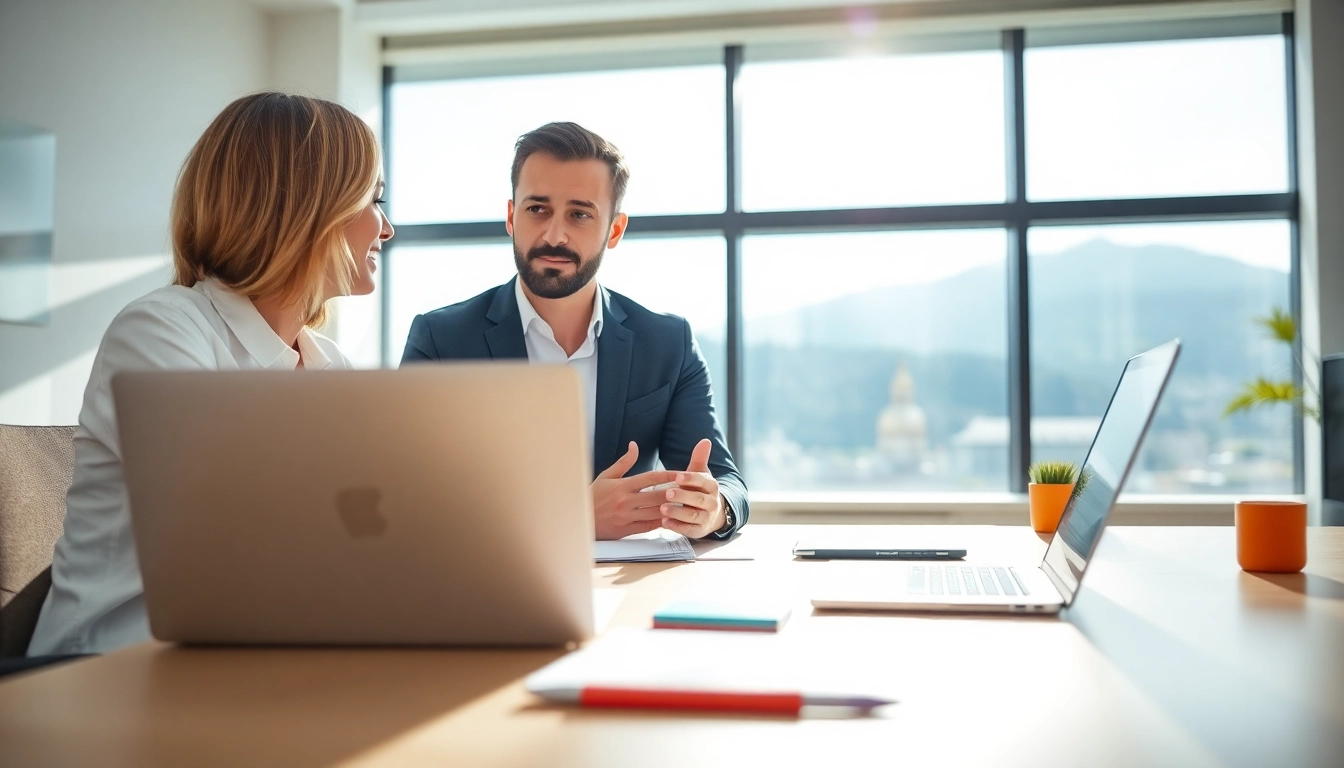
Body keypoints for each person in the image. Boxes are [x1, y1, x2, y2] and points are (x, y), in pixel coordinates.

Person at [27, 92, 394, 655]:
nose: (386, 228)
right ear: (307, 208)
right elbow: (232, 540)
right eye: (373, 200)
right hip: (109, 669)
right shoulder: (162, 329)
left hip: (247, 654)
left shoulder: (328, 364)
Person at [401, 122, 748, 541]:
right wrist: (574, 518)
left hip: (628, 591)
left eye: (580, 214)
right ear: (512, 216)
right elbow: (409, 502)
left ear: (614, 230)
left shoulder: (667, 343)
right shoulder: (441, 340)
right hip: (490, 592)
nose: (554, 235)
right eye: (538, 209)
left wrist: (713, 511)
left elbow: (727, 483)